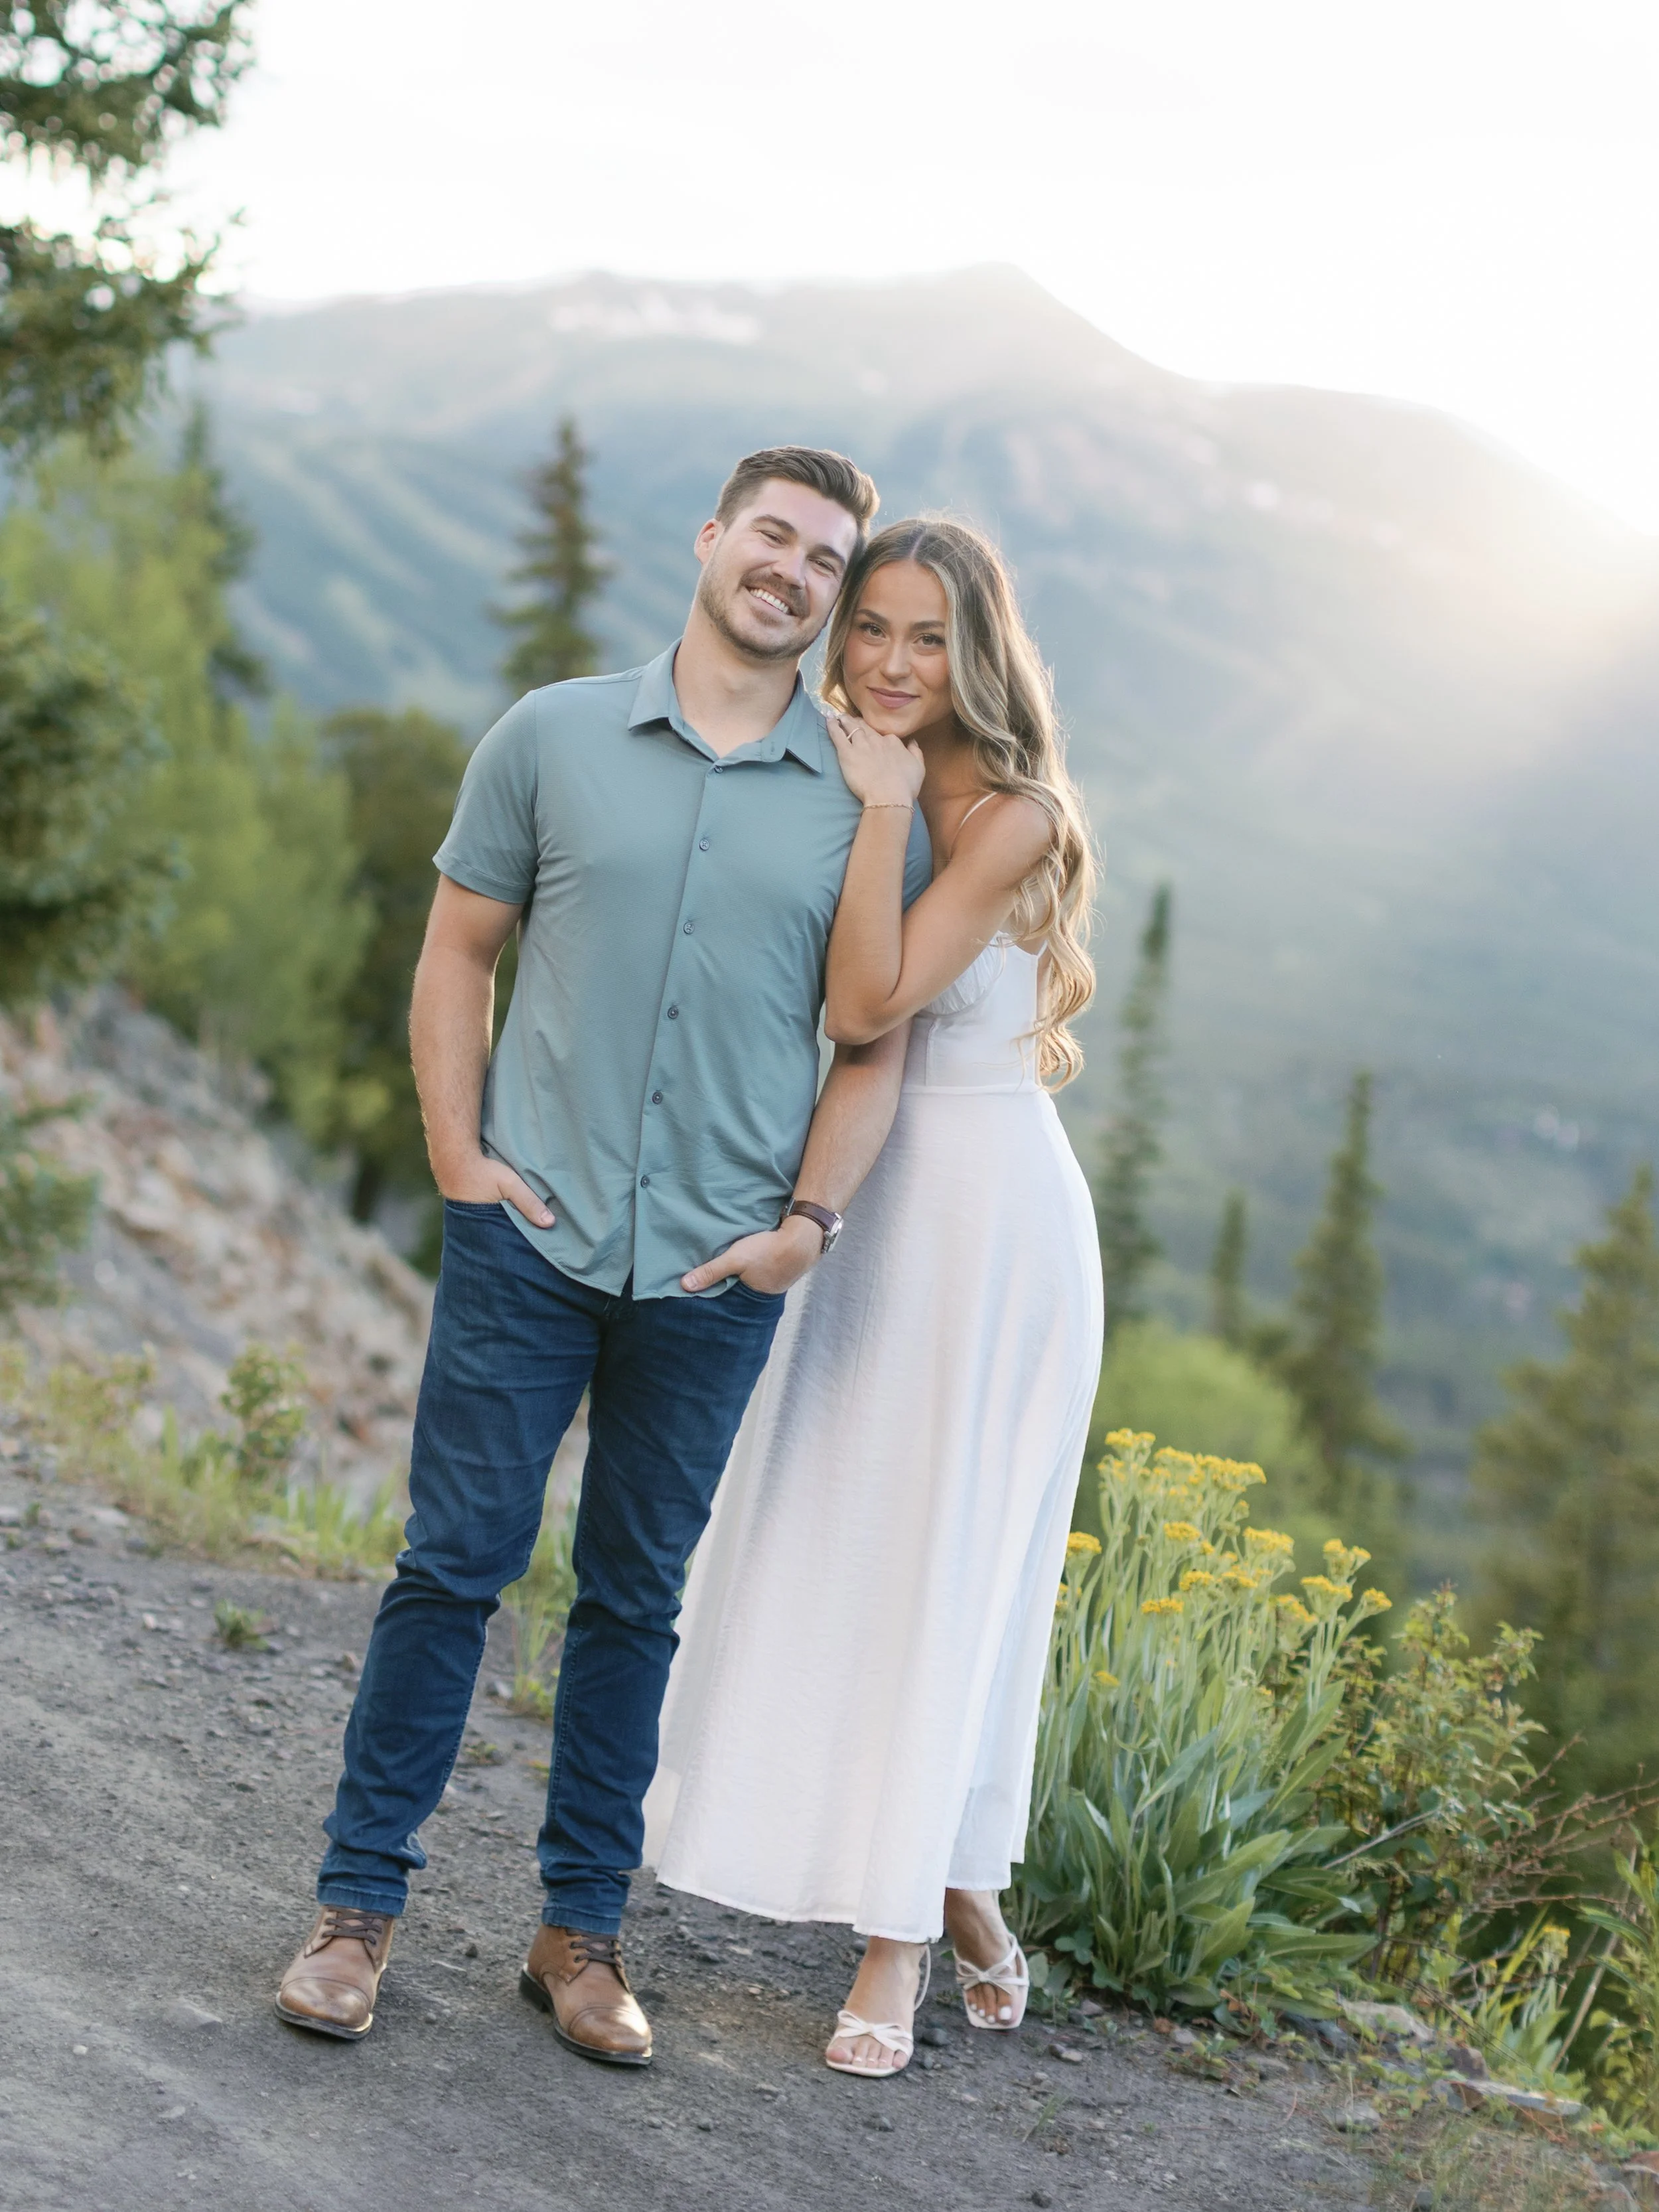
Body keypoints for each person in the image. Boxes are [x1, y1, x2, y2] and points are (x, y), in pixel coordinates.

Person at [275, 447, 932, 2067]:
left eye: (822, 558)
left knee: (634, 1600)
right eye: (769, 535)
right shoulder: (551, 736)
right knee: (453, 1565)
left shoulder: (865, 802)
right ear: (710, 540)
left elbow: (872, 1043)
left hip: (714, 1270)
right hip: (532, 1235)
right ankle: (355, 1914)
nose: (790, 570)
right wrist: (459, 1158)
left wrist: (803, 1229)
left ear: (834, 596)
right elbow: (458, 950)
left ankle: (579, 1936)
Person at [645, 517, 1103, 2078]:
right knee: (836, 1543)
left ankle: (895, 1938)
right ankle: (962, 1890)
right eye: (870, 628)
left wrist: (887, 803)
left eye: (925, 636)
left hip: (987, 1226)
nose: (891, 663)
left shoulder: (1014, 815)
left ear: (974, 651)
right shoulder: (838, 766)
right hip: (861, 1204)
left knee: (946, 1565)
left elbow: (864, 1001)